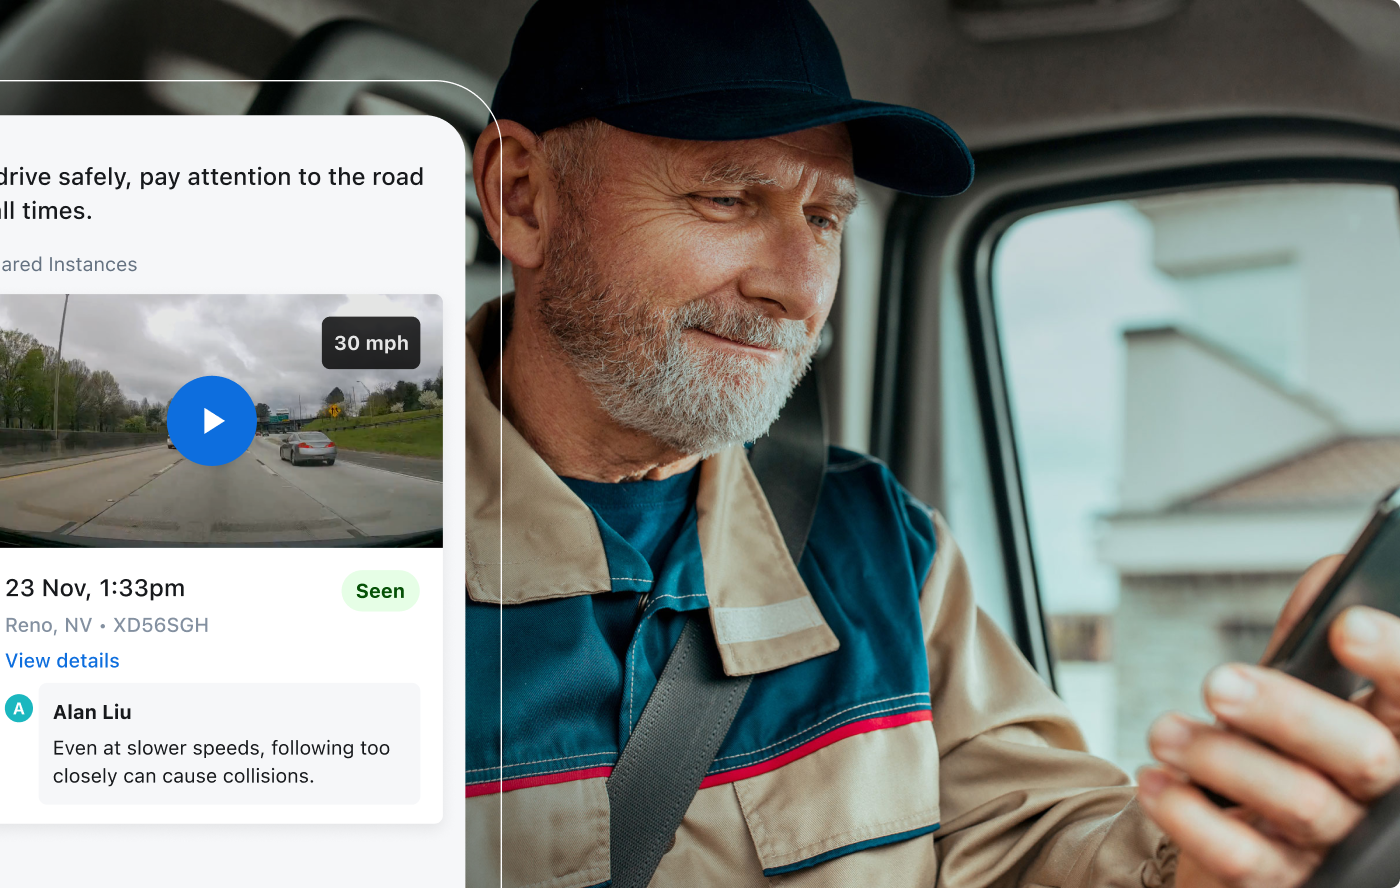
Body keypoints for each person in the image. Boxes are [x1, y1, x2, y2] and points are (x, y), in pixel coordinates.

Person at [463, 1, 1400, 885]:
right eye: (726, 199)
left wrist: (1222, 842)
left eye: (824, 218)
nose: (797, 287)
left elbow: (1031, 840)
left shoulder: (877, 541)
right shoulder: (339, 563)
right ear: (523, 199)